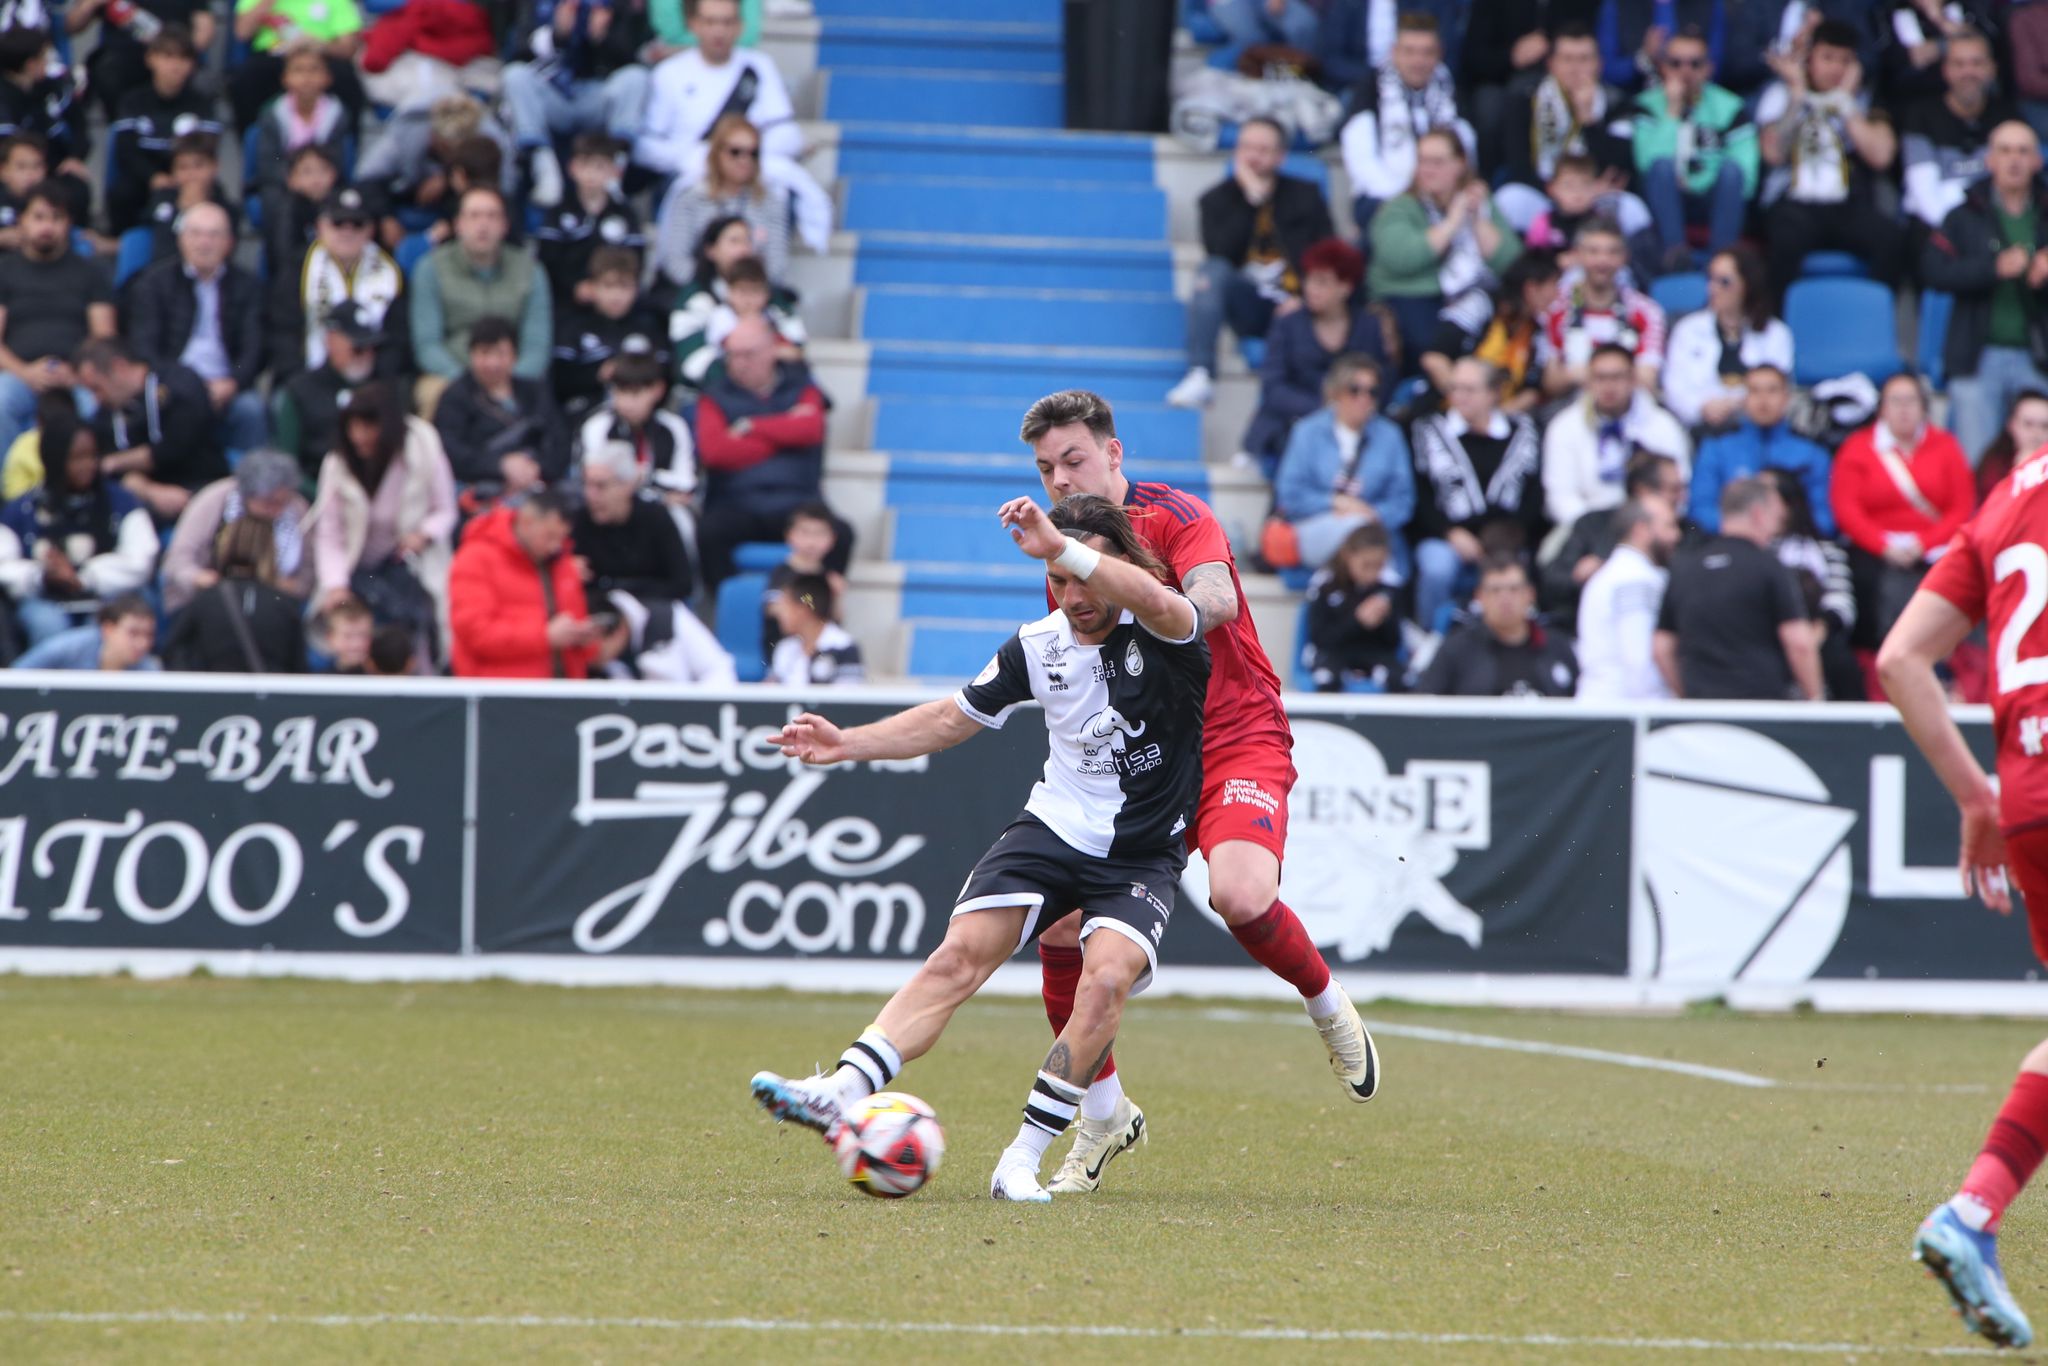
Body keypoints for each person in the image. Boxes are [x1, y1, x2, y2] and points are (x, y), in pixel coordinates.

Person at [750, 492, 1214, 1205]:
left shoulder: (1169, 630)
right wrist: (847, 745)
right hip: (1052, 830)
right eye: (1057, 580)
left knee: (1105, 982)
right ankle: (842, 1089)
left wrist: (1061, 548)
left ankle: (1021, 1160)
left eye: (1085, 577)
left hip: (1141, 853)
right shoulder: (1039, 645)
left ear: (1119, 565)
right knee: (958, 956)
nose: (1073, 596)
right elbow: (951, 718)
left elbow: (1154, 598)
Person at [1017, 391, 1380, 1196]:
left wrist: (1132, 590)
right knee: (1062, 927)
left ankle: (1326, 1004)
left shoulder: (1178, 516)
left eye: (1074, 460)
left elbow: (1214, 601)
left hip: (1236, 732)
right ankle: (1103, 1115)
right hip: (1147, 754)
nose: (1060, 480)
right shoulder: (1061, 560)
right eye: (1045, 469)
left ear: (1114, 454)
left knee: (1241, 897)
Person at [1880, 427, 2048, 1352]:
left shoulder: (2007, 497)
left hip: (2027, 795)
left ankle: (1973, 1215)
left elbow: (1901, 659)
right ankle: (1969, 1215)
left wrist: (1976, 796)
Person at [1167, 117, 1334, 410]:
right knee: (1211, 272)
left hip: (1302, 303)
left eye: (1263, 149)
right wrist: (1251, 201)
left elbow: (1326, 254)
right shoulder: (1215, 199)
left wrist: (1305, 299)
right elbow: (1222, 253)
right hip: (1253, 305)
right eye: (1246, 147)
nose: (1253, 156)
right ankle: (1201, 373)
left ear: (1280, 155)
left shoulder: (1306, 195)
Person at [1923, 121, 2048, 464]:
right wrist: (1992, 268)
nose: (2014, 160)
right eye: (2005, 150)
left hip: (2039, 357)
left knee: (2042, 467)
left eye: (2023, 151)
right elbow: (1933, 270)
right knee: (1977, 463)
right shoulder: (1964, 214)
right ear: (1989, 159)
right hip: (1977, 356)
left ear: (2038, 160)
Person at [305, 381, 457, 663]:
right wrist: (336, 585)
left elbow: (446, 510)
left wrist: (423, 534)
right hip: (353, 571)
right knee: (334, 638)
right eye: (353, 427)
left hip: (410, 569)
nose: (359, 436)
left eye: (367, 427)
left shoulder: (424, 447)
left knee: (416, 639)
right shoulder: (337, 463)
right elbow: (329, 534)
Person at [1831, 372, 1975, 648]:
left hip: (1932, 546)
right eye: (1895, 401)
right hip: (1875, 548)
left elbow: (1961, 507)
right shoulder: (1857, 447)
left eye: (1911, 400)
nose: (1904, 409)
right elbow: (1847, 509)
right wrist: (1883, 545)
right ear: (1882, 408)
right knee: (1864, 579)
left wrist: (1924, 544)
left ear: (1924, 406)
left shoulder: (1946, 445)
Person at [1757, 19, 1903, 288]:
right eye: (1827, 58)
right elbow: (1773, 154)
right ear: (1809, 59)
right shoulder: (1781, 94)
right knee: (1785, 240)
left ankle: (1870, 311)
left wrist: (1845, 103)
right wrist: (1797, 98)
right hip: (1793, 202)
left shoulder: (1863, 100)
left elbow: (1881, 157)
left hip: (1845, 204)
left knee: (1890, 239)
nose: (1836, 68)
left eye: (1845, 60)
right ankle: (1780, 314)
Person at [1654, 475, 1822, 701]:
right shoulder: (1769, 566)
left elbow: (1662, 646)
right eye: (1776, 519)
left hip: (1701, 708)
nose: (1775, 529)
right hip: (1759, 706)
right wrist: (1815, 698)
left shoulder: (1685, 568)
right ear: (1758, 514)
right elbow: (1799, 642)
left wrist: (1686, 696)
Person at [1408, 356, 1545, 633]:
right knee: (1437, 567)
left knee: (1520, 566)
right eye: (1455, 388)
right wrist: (1450, 533)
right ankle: (1431, 638)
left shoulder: (1524, 430)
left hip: (1507, 538)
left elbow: (1534, 494)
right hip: (1447, 537)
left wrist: (1505, 537)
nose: (1459, 396)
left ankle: (1517, 636)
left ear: (1494, 393)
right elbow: (1420, 496)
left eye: (1469, 389)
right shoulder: (1427, 430)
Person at [694, 316, 834, 586]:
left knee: (838, 534)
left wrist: (751, 426)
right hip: (736, 504)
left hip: (796, 503)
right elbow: (715, 451)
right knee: (710, 533)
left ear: (771, 351)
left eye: (748, 354)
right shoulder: (713, 395)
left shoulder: (803, 387)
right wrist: (784, 433)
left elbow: (811, 429)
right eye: (733, 355)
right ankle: (732, 601)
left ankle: (809, 606)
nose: (739, 363)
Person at [0, 400, 154, 643]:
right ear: (54, 459)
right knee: (47, 625)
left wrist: (85, 578)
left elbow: (141, 559)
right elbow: (4, 565)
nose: (88, 466)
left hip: (107, 597)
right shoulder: (22, 509)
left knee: (109, 627)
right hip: (44, 600)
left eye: (92, 456)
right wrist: (42, 576)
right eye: (77, 458)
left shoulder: (121, 502)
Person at [122, 202, 270, 454]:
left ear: (229, 242)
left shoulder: (248, 286)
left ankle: (252, 478)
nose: (205, 243)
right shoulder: (154, 283)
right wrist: (185, 386)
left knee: (251, 410)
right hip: (173, 386)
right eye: (196, 234)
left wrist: (233, 382)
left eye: (214, 235)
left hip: (226, 387)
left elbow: (254, 347)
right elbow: (144, 346)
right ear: (181, 239)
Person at [1367, 129, 1521, 368]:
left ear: (1460, 164)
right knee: (1430, 340)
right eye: (1422, 161)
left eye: (1437, 162)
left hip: (1470, 298)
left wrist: (1477, 219)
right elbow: (1402, 258)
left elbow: (1512, 262)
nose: (1427, 170)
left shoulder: (1479, 201)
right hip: (1411, 297)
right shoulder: (1399, 208)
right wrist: (1452, 222)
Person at [1239, 237, 1392, 469]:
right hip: (1290, 422)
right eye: (1309, 279)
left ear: (1345, 287)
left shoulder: (1369, 326)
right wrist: (1328, 409)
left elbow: (1382, 380)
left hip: (1356, 423)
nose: (1311, 288)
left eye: (1322, 282)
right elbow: (1273, 387)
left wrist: (1350, 410)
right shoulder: (1287, 323)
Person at [448, 489, 625, 679]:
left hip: (561, 688)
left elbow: (571, 621)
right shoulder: (476, 559)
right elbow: (476, 634)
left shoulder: (561, 563)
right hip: (501, 689)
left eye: (561, 538)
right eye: (549, 536)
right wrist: (544, 636)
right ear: (527, 522)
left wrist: (583, 639)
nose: (555, 546)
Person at [408, 186, 552, 405]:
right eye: (474, 216)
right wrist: (469, 386)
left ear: (505, 225)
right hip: (452, 375)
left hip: (514, 378)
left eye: (492, 216)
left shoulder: (531, 270)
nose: (483, 225)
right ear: (458, 224)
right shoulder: (430, 268)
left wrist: (509, 385)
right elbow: (427, 346)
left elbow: (537, 346)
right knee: (431, 393)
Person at [1272, 352, 1414, 574]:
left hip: (1375, 530)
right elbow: (1290, 495)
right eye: (1355, 390)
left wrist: (1372, 514)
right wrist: (1335, 503)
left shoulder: (1390, 435)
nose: (1364, 398)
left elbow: (1403, 500)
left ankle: (1346, 586)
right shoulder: (1308, 431)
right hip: (1317, 526)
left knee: (1364, 534)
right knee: (1357, 531)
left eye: (1372, 392)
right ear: (1336, 391)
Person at [500, 0, 651, 208]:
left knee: (636, 77)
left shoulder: (614, 5)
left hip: (598, 97)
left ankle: (615, 170)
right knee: (515, 75)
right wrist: (557, 34)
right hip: (553, 97)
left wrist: (602, 37)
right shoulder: (538, 4)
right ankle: (543, 166)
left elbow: (633, 56)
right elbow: (517, 51)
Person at [1631, 24, 1759, 267]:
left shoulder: (1731, 106)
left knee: (1732, 172)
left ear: (1709, 68)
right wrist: (1672, 110)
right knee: (1661, 168)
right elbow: (1646, 164)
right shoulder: (1646, 105)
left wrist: (1696, 182)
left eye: (1695, 63)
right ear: (1662, 66)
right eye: (1676, 63)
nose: (1685, 71)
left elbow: (1747, 175)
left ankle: (1722, 261)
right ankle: (1676, 260)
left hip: (1714, 197)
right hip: (1665, 197)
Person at [0, 183, 112, 458]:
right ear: (22, 221)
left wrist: (75, 373)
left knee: (95, 407)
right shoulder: (4, 271)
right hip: (18, 375)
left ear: (69, 223)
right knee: (1, 401)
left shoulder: (92, 272)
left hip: (77, 378)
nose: (47, 227)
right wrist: (25, 372)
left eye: (56, 218)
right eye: (39, 217)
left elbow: (103, 338)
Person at [1338, 13, 1474, 229]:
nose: (1418, 61)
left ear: (1440, 53)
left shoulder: (1449, 89)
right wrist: (1407, 200)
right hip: (1383, 194)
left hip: (1441, 195)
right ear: (1394, 52)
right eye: (1409, 52)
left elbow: (1465, 149)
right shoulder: (1371, 87)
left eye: (1427, 53)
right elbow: (1362, 161)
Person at [636, 0, 797, 177]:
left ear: (740, 26)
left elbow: (786, 133)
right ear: (693, 24)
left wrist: (740, 157)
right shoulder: (668, 73)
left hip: (750, 178)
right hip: (691, 178)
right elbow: (646, 147)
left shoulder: (760, 66)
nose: (719, 31)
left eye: (727, 22)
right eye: (710, 22)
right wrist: (699, 159)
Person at [1497, 24, 1637, 225]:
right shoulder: (1526, 100)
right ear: (1551, 64)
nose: (1575, 68)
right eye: (1567, 59)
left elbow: (1618, 167)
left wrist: (1589, 121)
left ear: (1599, 64)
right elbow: (1519, 166)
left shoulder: (1618, 104)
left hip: (1596, 197)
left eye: (1584, 59)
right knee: (1509, 199)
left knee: (1632, 208)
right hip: (1545, 194)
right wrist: (1560, 194)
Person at [78, 336, 225, 524]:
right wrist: (151, 492)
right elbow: (105, 468)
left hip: (201, 484)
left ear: (119, 367)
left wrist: (115, 462)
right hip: (146, 499)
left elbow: (175, 446)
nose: (96, 399)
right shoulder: (104, 416)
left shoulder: (179, 382)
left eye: (97, 388)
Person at [1541, 341, 1690, 527]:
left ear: (1633, 379)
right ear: (1588, 381)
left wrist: (1643, 528)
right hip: (1583, 527)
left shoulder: (1663, 425)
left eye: (1617, 377)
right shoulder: (1564, 426)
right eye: (1600, 377)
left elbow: (1678, 489)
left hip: (1650, 526)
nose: (1609, 386)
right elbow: (1560, 496)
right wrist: (1595, 530)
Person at [1538, 449, 1686, 634]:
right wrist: (1584, 577)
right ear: (1642, 491)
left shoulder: (1688, 532)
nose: (1682, 497)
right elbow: (1552, 579)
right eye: (1673, 489)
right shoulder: (1593, 525)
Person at [270, 187, 410, 383]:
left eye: (357, 224)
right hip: (308, 381)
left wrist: (374, 385)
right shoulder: (297, 269)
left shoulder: (392, 273)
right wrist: (304, 384)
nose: (347, 231)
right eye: (338, 223)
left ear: (370, 229)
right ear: (320, 226)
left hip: (375, 383)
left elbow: (397, 341)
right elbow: (283, 333)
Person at [1659, 245, 1794, 432]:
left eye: (1724, 282)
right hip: (1698, 427)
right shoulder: (1688, 329)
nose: (1712, 288)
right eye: (1710, 279)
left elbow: (1775, 388)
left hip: (1756, 428)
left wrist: (1734, 405)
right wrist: (1702, 408)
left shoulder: (1776, 333)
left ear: (1747, 284)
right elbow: (1674, 388)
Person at [160, 447, 310, 613]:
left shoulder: (297, 508)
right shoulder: (213, 500)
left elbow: (308, 570)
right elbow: (177, 561)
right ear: (248, 493)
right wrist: (200, 578)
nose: (277, 510)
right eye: (269, 502)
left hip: (273, 602)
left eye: (283, 502)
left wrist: (289, 585)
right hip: (208, 599)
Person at [1688, 364, 1833, 536]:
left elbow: (1825, 519)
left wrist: (1779, 528)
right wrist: (1744, 531)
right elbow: (1700, 509)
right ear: (1744, 398)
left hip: (1793, 543)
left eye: (1772, 391)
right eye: (1754, 391)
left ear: (1787, 397)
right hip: (1732, 542)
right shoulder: (1717, 449)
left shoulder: (1812, 455)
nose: (1763, 400)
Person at [433, 315, 572, 492]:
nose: (492, 363)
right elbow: (451, 450)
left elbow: (559, 438)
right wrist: (500, 465)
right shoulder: (455, 397)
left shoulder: (535, 392)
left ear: (514, 356)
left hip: (539, 481)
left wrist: (536, 468)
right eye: (484, 353)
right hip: (478, 485)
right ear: (471, 354)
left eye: (500, 354)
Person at [106, 26, 224, 234]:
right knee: (123, 193)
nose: (175, 66)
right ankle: (123, 244)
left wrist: (184, 177)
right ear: (150, 59)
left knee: (218, 196)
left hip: (189, 176)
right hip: (145, 178)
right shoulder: (133, 102)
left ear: (192, 64)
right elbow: (126, 149)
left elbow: (207, 148)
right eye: (168, 56)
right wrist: (153, 177)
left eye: (183, 58)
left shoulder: (202, 104)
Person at [1759, 464, 1862, 702]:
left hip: (1819, 636)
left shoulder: (1826, 551)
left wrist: (1817, 631)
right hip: (1767, 638)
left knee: (1840, 662)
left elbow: (1841, 602)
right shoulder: (1755, 553)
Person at [651, 113, 789, 290]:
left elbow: (776, 266)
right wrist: (712, 290)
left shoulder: (771, 202)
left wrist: (745, 292)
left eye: (753, 153)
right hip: (697, 290)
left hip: (753, 295)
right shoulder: (691, 197)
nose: (745, 160)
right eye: (735, 152)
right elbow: (675, 260)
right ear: (717, 153)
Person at [1420, 250, 1561, 416]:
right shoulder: (1480, 306)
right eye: (1554, 285)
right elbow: (1434, 358)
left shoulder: (1537, 331)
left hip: (1498, 419)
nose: (1557, 294)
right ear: (1531, 288)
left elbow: (1532, 391)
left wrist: (1495, 419)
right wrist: (1464, 402)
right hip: (1448, 412)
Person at [161, 514, 308, 673]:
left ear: (225, 546)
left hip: (215, 686)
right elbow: (299, 669)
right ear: (270, 551)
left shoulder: (205, 600)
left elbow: (174, 654)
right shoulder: (284, 605)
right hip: (269, 688)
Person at [1414, 554, 1577, 696]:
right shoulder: (1457, 649)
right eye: (1495, 590)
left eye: (1514, 589)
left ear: (1530, 594)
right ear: (1479, 597)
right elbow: (1426, 704)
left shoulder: (1557, 646)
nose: (1505, 599)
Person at [1539, 217, 1666, 397]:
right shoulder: (1556, 309)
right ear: (1578, 255)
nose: (1603, 260)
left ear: (1624, 257)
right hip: (1573, 405)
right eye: (1593, 251)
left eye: (1612, 252)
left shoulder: (1647, 312)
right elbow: (1551, 383)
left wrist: (1582, 373)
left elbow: (1647, 381)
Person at [1901, 29, 2011, 234]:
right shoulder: (1921, 115)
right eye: (1959, 64)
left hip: (1994, 226)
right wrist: (1963, 235)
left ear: (1992, 68)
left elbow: (2016, 188)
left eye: (1977, 63)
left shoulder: (2007, 116)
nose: (1968, 72)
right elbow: (1924, 196)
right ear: (1945, 70)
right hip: (1936, 228)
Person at [574, 350, 697, 527]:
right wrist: (657, 492)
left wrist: (646, 476)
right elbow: (593, 477)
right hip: (612, 509)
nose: (626, 402)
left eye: (635, 393)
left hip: (662, 511)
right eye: (620, 392)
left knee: (680, 517)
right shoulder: (597, 426)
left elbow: (686, 482)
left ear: (657, 390)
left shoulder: (674, 426)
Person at [671, 223, 801, 391]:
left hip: (771, 389)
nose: (743, 249)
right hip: (715, 390)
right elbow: (692, 360)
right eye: (734, 241)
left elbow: (795, 348)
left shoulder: (774, 307)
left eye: (747, 241)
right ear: (711, 250)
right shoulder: (701, 303)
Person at [1575, 496, 1681, 701]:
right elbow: (1639, 661)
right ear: (1641, 529)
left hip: (1610, 704)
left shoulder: (1618, 572)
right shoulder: (1634, 578)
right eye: (1669, 526)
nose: (1676, 535)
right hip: (1621, 707)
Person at [573, 436, 695, 605]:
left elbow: (682, 583)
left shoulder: (655, 518)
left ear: (627, 486)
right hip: (599, 610)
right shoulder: (580, 520)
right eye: (587, 485)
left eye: (601, 486)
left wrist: (623, 593)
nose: (591, 495)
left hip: (653, 607)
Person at [552, 245, 669, 420]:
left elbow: (666, 374)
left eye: (625, 287)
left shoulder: (649, 328)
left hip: (643, 418)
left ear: (637, 289)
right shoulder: (573, 327)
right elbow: (558, 380)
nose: (616, 296)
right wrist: (597, 373)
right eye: (608, 286)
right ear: (592, 287)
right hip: (584, 415)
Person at [533, 134, 646, 311]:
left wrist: (611, 287)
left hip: (615, 300)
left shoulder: (625, 214)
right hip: (566, 303)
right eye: (585, 165)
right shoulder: (558, 213)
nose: (591, 174)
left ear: (614, 171)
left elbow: (636, 260)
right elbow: (547, 260)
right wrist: (574, 287)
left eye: (600, 167)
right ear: (572, 168)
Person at [273, 300, 383, 468]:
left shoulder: (384, 390)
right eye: (358, 348)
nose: (366, 355)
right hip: (315, 480)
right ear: (330, 340)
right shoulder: (301, 390)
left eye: (372, 348)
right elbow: (287, 462)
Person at [1301, 521, 1403, 693]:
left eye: (1378, 566)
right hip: (1333, 653)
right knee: (1327, 678)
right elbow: (1320, 639)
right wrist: (1357, 620)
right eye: (1366, 565)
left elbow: (1393, 643)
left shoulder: (1389, 587)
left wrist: (1384, 619)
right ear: (1349, 556)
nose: (1372, 574)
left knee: (1400, 679)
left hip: (1374, 654)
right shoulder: (1325, 584)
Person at [247, 42, 349, 209]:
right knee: (275, 199)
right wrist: (295, 179)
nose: (306, 78)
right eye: (298, 70)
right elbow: (268, 163)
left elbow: (338, 160)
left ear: (328, 77)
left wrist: (316, 179)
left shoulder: (338, 115)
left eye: (314, 69)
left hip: (325, 183)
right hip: (285, 184)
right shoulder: (272, 115)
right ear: (285, 78)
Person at [9, 591, 157, 670]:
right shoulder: (67, 649)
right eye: (133, 633)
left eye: (149, 635)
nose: (142, 643)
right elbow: (16, 676)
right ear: (108, 629)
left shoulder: (148, 670)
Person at [765, 571, 863, 686]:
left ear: (802, 610)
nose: (778, 614)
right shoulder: (785, 648)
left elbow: (849, 694)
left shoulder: (844, 647)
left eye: (785, 607)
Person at [1976, 390, 2048, 502]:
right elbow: (1993, 505)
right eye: (2028, 424)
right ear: (2011, 425)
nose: (2036, 433)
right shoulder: (1994, 463)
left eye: (2045, 426)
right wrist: (2021, 472)